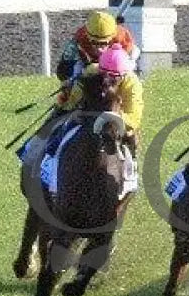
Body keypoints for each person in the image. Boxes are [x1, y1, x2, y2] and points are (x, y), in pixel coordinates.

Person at [52, 44, 144, 191]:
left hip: (120, 122)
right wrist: (64, 98)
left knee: (131, 136)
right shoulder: (91, 72)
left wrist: (112, 116)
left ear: (123, 75)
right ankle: (51, 163)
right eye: (105, 74)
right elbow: (71, 102)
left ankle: (130, 173)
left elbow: (133, 118)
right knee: (64, 128)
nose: (107, 80)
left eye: (114, 77)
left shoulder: (132, 84)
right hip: (89, 118)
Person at [56, 10, 140, 83]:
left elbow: (125, 61)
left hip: (117, 61)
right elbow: (65, 64)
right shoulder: (80, 37)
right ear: (87, 35)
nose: (99, 48)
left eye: (103, 43)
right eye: (94, 42)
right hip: (90, 61)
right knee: (64, 71)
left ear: (112, 37)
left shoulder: (123, 38)